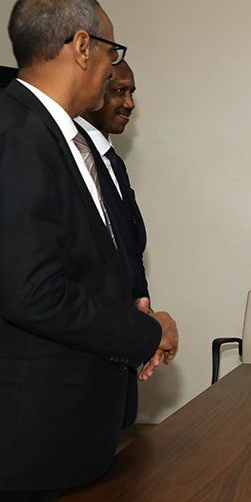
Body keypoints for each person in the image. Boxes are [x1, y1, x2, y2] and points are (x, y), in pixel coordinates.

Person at [0, 0, 180, 502]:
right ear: (82, 46)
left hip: (67, 427)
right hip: (29, 438)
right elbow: (33, 292)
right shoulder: (18, 136)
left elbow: (84, 260)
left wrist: (132, 309)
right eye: (113, 51)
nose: (114, 66)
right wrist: (145, 333)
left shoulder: (66, 138)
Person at [76, 59, 148, 428]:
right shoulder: (77, 158)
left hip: (123, 337)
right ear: (92, 91)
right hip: (93, 344)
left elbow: (128, 247)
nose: (129, 103)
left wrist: (142, 304)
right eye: (119, 91)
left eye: (131, 92)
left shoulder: (111, 161)